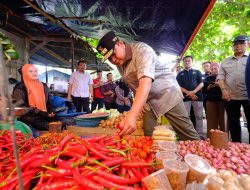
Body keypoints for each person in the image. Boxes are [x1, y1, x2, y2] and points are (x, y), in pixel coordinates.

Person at [97, 31, 199, 140]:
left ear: (121, 43)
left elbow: (145, 83)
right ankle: (153, 155)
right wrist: (139, 106)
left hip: (167, 94)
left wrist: (132, 114)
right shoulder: (120, 63)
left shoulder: (142, 50)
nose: (113, 60)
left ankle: (199, 153)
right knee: (148, 135)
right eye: (109, 58)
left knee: (187, 134)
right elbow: (134, 85)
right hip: (148, 102)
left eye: (113, 53)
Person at [217, 35, 250, 143]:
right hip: (230, 96)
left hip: (248, 96)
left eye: (241, 43)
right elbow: (221, 78)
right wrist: (224, 90)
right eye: (235, 44)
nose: (238, 46)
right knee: (233, 123)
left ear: (247, 45)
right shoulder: (225, 61)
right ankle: (237, 145)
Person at [12, 64, 55, 131]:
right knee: (49, 128)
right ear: (25, 73)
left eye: (35, 71)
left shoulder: (43, 86)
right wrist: (40, 112)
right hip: (28, 117)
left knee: (61, 124)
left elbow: (49, 102)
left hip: (44, 116)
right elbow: (21, 105)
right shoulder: (20, 87)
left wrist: (51, 110)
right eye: (30, 71)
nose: (34, 73)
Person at [177, 56, 204, 138]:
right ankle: (187, 135)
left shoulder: (198, 72)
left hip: (197, 97)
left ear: (192, 62)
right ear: (183, 63)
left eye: (189, 61)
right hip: (185, 98)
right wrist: (188, 93)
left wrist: (193, 92)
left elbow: (202, 84)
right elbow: (178, 86)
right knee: (186, 117)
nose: (187, 62)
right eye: (185, 61)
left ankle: (199, 135)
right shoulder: (180, 74)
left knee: (199, 116)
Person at [204, 62, 226, 137]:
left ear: (219, 68)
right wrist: (209, 87)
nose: (214, 70)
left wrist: (219, 85)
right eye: (212, 69)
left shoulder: (223, 77)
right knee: (211, 121)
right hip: (210, 101)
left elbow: (227, 88)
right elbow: (203, 90)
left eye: (215, 68)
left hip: (222, 101)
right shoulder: (207, 78)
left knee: (223, 121)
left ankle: (224, 138)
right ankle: (211, 138)